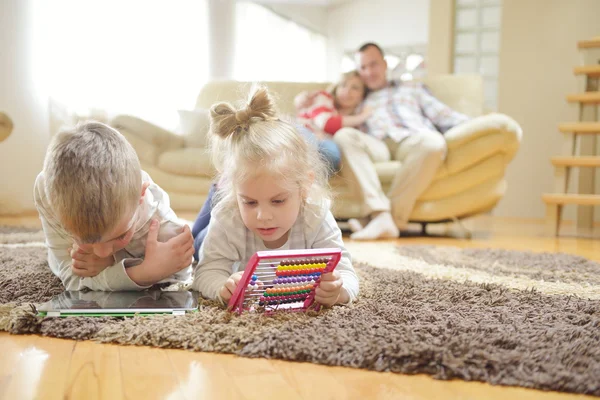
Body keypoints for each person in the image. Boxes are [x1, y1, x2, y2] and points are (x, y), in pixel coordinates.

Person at [192, 85, 359, 307]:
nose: (263, 215)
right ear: (237, 194)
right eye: (250, 202)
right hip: (222, 218)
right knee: (196, 242)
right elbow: (205, 273)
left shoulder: (316, 214)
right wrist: (223, 288)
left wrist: (339, 292)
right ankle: (219, 189)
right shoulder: (228, 216)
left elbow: (346, 273)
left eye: (278, 201)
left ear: (305, 186)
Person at [34, 121, 195, 291]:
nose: (101, 253)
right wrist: (142, 273)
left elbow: (182, 278)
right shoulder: (48, 191)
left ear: (141, 195)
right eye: (82, 239)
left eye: (120, 236)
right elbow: (73, 280)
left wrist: (115, 262)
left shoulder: (164, 228)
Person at [334, 42, 471, 240]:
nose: (369, 72)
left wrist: (479, 126)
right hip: (376, 145)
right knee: (344, 135)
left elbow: (445, 115)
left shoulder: (412, 87)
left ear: (385, 64)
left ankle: (386, 220)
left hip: (412, 139)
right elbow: (329, 111)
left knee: (433, 142)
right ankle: (379, 213)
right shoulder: (357, 96)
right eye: (363, 68)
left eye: (373, 65)